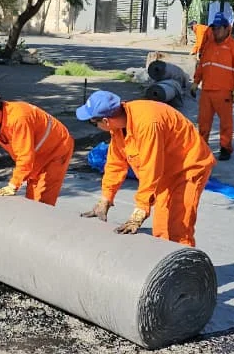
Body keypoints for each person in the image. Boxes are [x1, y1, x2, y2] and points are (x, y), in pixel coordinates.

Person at [75, 90, 215, 246]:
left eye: (93, 123)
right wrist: (106, 199)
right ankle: (165, 267)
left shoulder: (147, 124)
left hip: (189, 167)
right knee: (161, 229)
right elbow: (115, 163)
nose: (95, 127)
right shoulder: (119, 126)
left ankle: (187, 268)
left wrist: (141, 208)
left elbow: (151, 167)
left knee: (178, 227)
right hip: (166, 170)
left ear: (106, 121)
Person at [191, 11, 234, 161]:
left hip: (224, 92)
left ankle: (225, 148)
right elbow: (203, 65)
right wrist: (196, 82)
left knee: (225, 123)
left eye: (218, 28)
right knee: (203, 122)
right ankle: (202, 148)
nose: (215, 31)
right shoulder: (209, 45)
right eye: (213, 28)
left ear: (225, 28)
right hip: (207, 91)